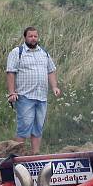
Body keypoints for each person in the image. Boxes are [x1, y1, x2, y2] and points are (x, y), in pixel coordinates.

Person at [5, 26, 61, 154]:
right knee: (24, 127)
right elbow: (10, 72)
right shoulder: (17, 52)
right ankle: (18, 154)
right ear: (25, 37)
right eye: (30, 36)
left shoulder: (44, 53)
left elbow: (51, 70)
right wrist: (12, 92)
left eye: (35, 36)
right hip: (25, 96)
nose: (33, 38)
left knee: (38, 127)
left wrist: (54, 87)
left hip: (41, 96)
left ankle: (35, 154)